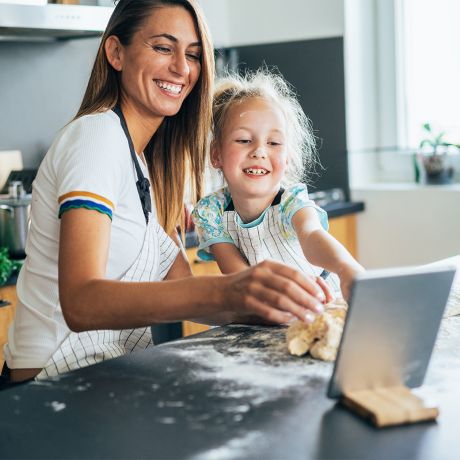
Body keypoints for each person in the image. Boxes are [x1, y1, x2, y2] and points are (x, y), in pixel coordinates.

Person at [1, 0, 332, 386]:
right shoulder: (96, 137)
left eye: (193, 55)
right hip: (43, 390)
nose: (182, 68)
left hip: (96, 381)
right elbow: (80, 302)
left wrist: (273, 307)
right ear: (116, 53)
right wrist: (229, 291)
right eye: (163, 47)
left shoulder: (139, 163)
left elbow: (179, 285)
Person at [192, 70, 364, 302]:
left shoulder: (292, 202)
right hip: (263, 306)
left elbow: (312, 235)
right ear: (216, 154)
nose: (259, 152)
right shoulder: (210, 212)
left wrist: (346, 268)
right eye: (244, 140)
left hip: (323, 299)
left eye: (273, 143)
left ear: (287, 158)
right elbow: (239, 276)